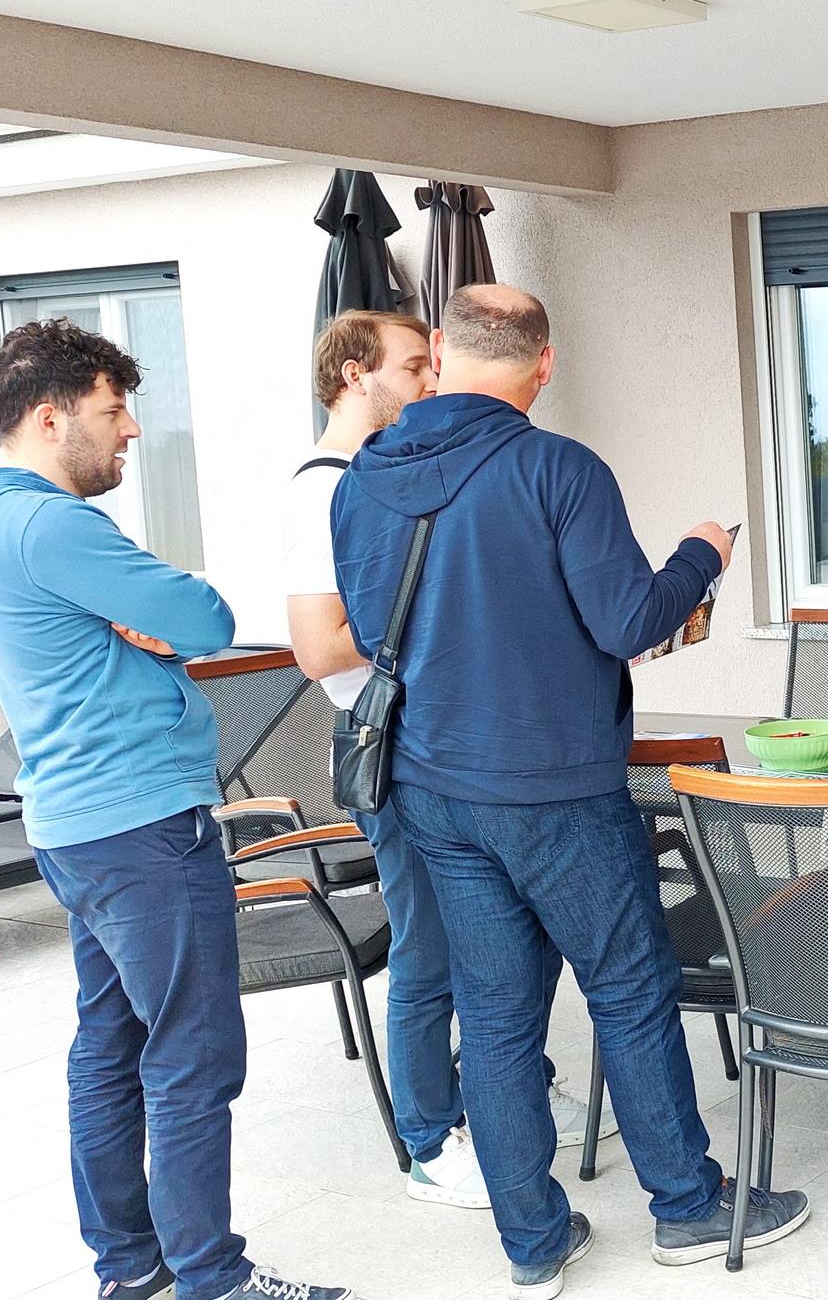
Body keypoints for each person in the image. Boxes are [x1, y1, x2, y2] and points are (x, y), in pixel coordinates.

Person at [329, 284, 802, 1299]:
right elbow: (628, 620)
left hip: (431, 787)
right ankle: (687, 1206)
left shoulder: (363, 478)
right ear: (544, 365)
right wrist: (702, 555)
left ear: (443, 353)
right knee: (628, 988)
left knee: (496, 1012)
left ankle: (533, 1240)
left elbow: (370, 632)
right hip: (554, 788)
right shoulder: (557, 468)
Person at [0, 320, 349, 1300]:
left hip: (80, 822)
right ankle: (212, 1278)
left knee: (111, 1044)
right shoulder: (52, 526)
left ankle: (133, 1265)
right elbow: (204, 617)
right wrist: (156, 620)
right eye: (113, 410)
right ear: (50, 416)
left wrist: (142, 623)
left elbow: (169, 624)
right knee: (192, 1053)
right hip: (139, 825)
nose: (131, 430)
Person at [282, 309, 610, 1212]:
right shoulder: (328, 489)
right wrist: (448, 621)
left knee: (512, 942)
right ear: (355, 374)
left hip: (452, 745)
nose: (432, 380)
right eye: (413, 365)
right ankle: (430, 1139)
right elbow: (317, 647)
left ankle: (511, 1090)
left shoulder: (398, 470)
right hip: (396, 751)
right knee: (428, 950)